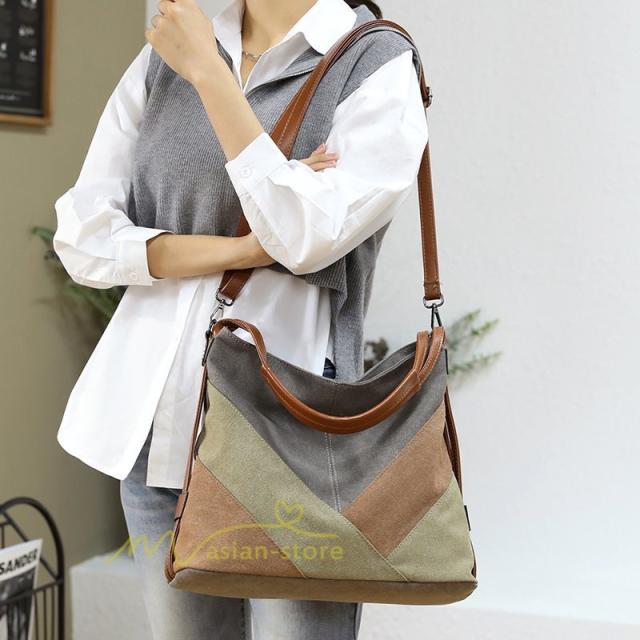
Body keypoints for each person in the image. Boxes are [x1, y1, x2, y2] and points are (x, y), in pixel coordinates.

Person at [52, 0, 429, 637]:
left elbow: (303, 235)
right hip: (156, 428)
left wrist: (210, 75)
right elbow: (84, 238)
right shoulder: (169, 53)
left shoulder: (374, 62)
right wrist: (246, 248)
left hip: (290, 429)